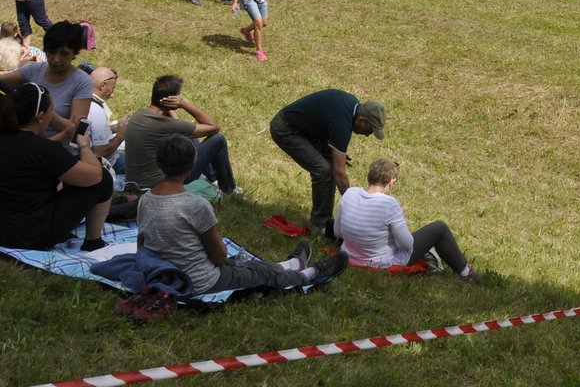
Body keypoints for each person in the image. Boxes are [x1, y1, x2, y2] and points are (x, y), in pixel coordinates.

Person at [137, 136, 347, 294]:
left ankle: (292, 265)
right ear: (192, 164)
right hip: (201, 281)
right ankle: (309, 275)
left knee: (246, 264)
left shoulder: (146, 199)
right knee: (257, 273)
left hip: (166, 275)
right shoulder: (195, 204)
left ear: (159, 162)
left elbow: (143, 243)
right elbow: (219, 257)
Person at [0, 83, 113, 251]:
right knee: (104, 178)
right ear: (41, 116)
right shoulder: (43, 150)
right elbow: (94, 175)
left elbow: (31, 156)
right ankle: (93, 241)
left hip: (4, 229)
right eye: (52, 112)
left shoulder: (10, 139)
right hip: (30, 236)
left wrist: (65, 135)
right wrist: (84, 146)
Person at [269, 89, 387, 239]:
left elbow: (325, 121)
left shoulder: (351, 106)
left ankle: (323, 220)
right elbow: (339, 172)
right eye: (370, 130)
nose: (368, 135)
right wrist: (356, 204)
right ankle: (320, 225)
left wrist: (331, 152)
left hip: (306, 131)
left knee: (329, 166)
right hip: (286, 129)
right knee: (324, 170)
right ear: (362, 120)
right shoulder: (343, 122)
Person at [334, 158, 478, 280]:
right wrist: (400, 219)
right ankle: (465, 271)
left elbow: (338, 232)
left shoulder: (349, 193)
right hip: (379, 262)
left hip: (350, 256)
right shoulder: (389, 204)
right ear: (391, 182)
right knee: (439, 228)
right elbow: (406, 245)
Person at [122, 74, 237, 194]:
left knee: (190, 136)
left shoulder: (138, 115)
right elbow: (214, 127)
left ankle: (213, 179)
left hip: (135, 182)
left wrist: (169, 109)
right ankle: (228, 188)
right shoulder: (165, 125)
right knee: (218, 139)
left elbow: (177, 125)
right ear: (172, 99)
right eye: (179, 95)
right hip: (164, 184)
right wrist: (186, 104)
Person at [2, 20, 94, 143]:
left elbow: (78, 131)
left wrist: (46, 110)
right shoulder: (33, 70)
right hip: (27, 145)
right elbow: (2, 81)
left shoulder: (82, 82)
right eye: (51, 51)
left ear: (74, 54)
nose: (56, 59)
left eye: (64, 54)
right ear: (45, 50)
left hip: (59, 150)